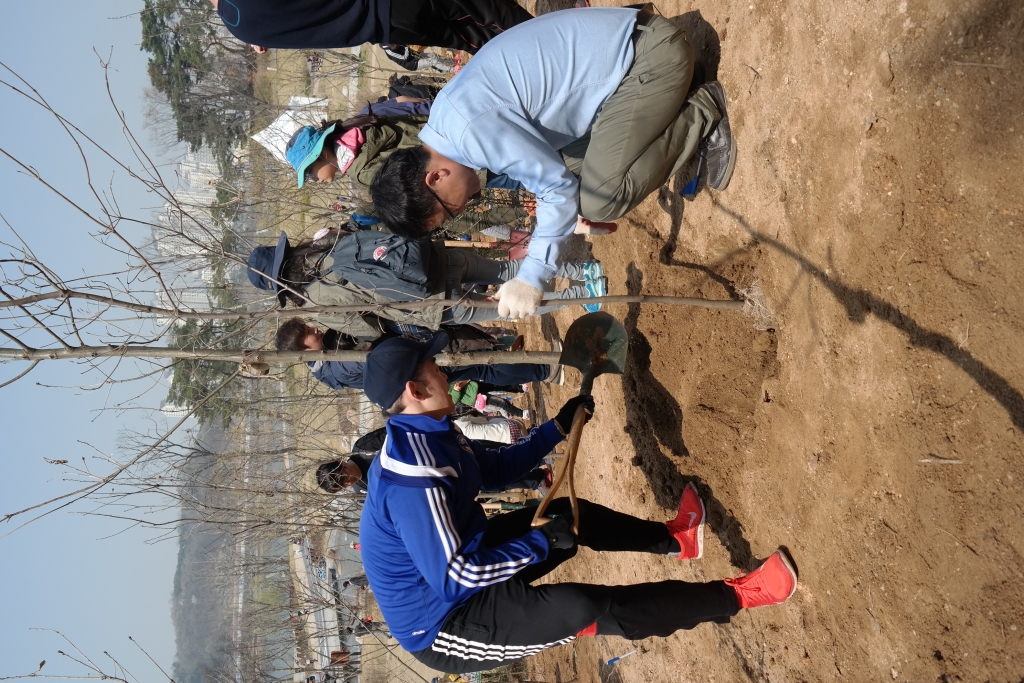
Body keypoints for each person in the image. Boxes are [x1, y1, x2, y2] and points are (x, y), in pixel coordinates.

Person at [357, 334, 797, 673]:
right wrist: (538, 545)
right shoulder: (412, 479)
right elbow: (456, 578)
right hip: (444, 622)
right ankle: (739, 596)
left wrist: (556, 427)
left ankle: (676, 539)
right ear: (416, 388)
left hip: (464, 561)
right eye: (433, 365)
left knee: (568, 516)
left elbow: (489, 473)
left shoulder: (433, 426)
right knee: (585, 607)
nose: (442, 368)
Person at [370, 5, 736, 319]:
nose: (463, 208)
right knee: (579, 192)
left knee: (600, 199)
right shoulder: (448, 124)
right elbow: (551, 178)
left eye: (449, 210)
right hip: (631, 56)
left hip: (650, 54)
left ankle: (702, 110)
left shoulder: (471, 131)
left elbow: (556, 187)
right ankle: (672, 101)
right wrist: (562, 212)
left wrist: (533, 275)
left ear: (435, 178)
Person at [245, 230, 606, 341]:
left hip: (427, 301)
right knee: (506, 270)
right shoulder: (324, 243)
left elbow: (364, 325)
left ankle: (585, 293)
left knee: (509, 307)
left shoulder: (314, 298)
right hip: (435, 259)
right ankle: (581, 269)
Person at [274, 317, 562, 392]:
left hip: (421, 366)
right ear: (304, 348)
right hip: (423, 364)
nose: (315, 329)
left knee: (481, 368)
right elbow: (382, 359)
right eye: (308, 332)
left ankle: (545, 371)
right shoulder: (337, 365)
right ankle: (546, 371)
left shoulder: (327, 367)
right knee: (483, 366)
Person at [209, 0, 532, 54]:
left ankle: (555, 66)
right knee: (489, 11)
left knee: (475, 39)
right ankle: (569, 37)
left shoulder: (241, 30)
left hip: (387, 32)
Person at [381, 44, 455, 73]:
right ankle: (453, 70)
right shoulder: (389, 52)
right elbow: (404, 58)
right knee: (432, 61)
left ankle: (452, 62)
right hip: (412, 64)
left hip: (414, 55)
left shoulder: (391, 40)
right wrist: (407, 47)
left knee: (433, 55)